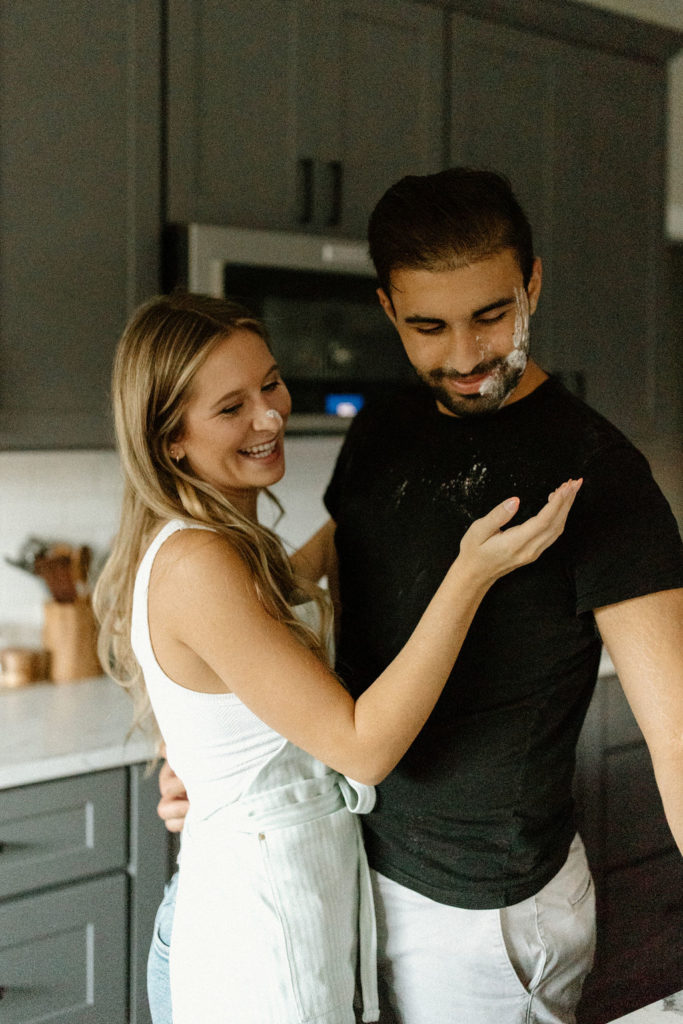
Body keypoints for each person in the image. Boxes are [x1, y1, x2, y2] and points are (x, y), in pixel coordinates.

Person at [156, 169, 683, 1024]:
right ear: (387, 308)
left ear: (532, 283)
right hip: (351, 859)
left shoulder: (599, 474)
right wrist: (221, 749)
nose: (467, 356)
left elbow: (677, 741)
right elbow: (313, 577)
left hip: (482, 911)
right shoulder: (384, 426)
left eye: (492, 315)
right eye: (428, 326)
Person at [94, 290, 581, 1024]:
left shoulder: (229, 549)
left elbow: (288, 593)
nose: (269, 415)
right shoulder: (198, 564)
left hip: (274, 905)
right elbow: (363, 747)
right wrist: (469, 573)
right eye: (232, 409)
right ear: (170, 439)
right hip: (253, 941)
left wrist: (395, 482)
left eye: (269, 382)